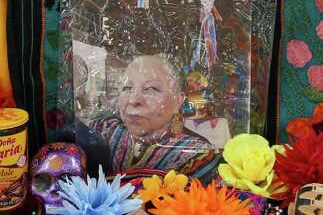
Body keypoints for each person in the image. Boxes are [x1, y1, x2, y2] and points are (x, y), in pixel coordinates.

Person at [80, 54, 219, 180]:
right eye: (127, 88)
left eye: (151, 89)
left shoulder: (197, 156)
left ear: (178, 100)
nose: (134, 100)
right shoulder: (102, 131)